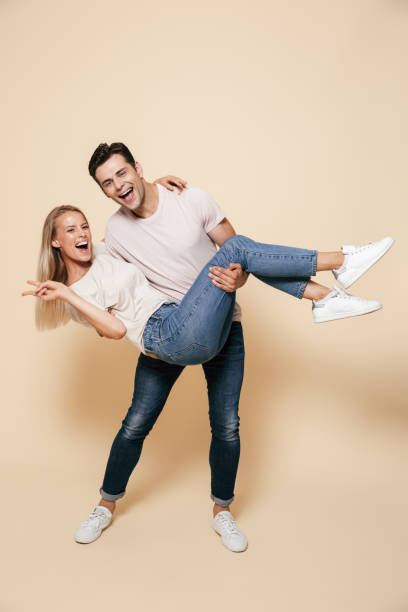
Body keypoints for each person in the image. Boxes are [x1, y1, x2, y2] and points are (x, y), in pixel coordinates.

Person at [24, 201, 394, 550]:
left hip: (185, 315)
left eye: (84, 225)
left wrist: (157, 187)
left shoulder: (104, 251)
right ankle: (105, 506)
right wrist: (65, 294)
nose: (81, 234)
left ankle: (222, 511)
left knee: (227, 424)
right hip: (161, 336)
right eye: (70, 230)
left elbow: (141, 228)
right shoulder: (76, 296)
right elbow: (116, 330)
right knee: (135, 425)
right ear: (55, 241)